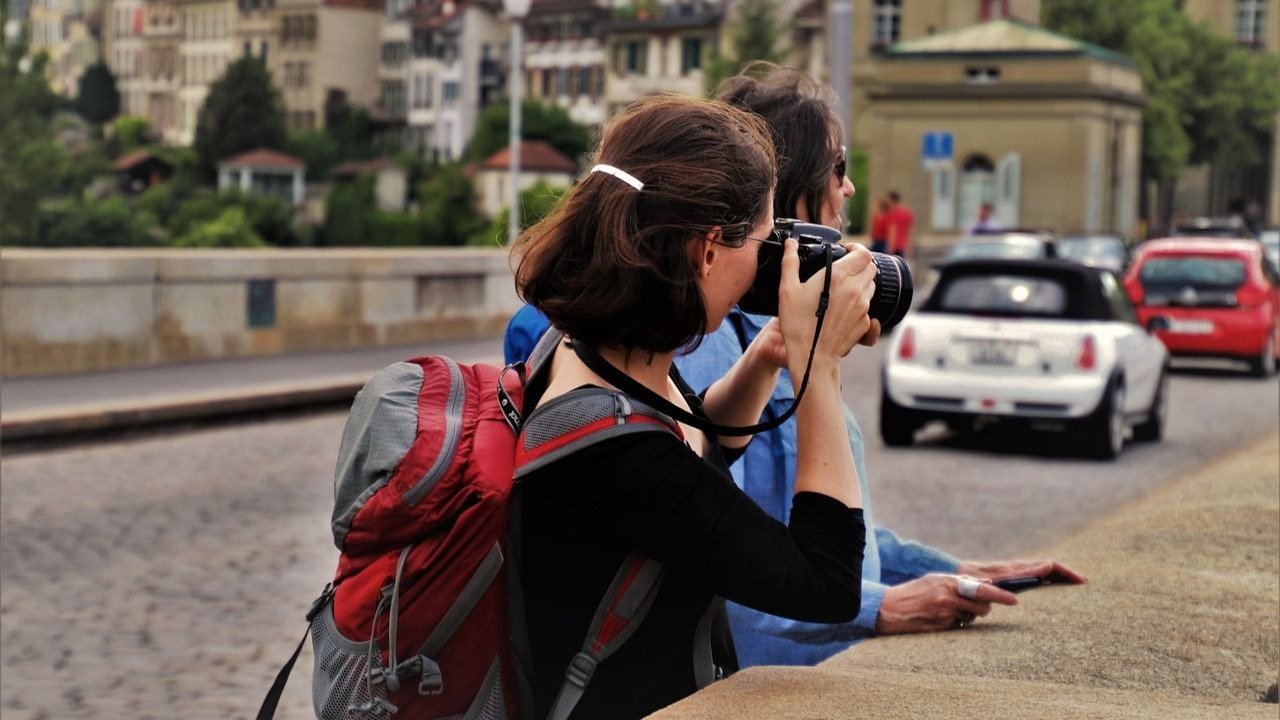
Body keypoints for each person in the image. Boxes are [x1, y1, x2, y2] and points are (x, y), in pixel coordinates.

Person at [674, 65, 1086, 667]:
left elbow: (823, 526)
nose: (849, 191)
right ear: (786, 187)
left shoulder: (771, 328)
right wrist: (884, 607)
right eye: (838, 168)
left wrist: (949, 571)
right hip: (759, 685)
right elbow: (719, 555)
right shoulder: (709, 339)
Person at [511, 93, 879, 719]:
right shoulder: (621, 453)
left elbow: (698, 451)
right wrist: (819, 369)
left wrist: (769, 354)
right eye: (764, 243)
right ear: (708, 251)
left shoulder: (590, 350)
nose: (768, 264)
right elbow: (827, 585)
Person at [886, 189, 915, 260]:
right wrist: (911, 246)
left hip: (895, 247)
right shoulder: (908, 213)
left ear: (892, 200)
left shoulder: (893, 213)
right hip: (904, 246)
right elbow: (911, 231)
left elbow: (893, 231)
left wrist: (889, 248)